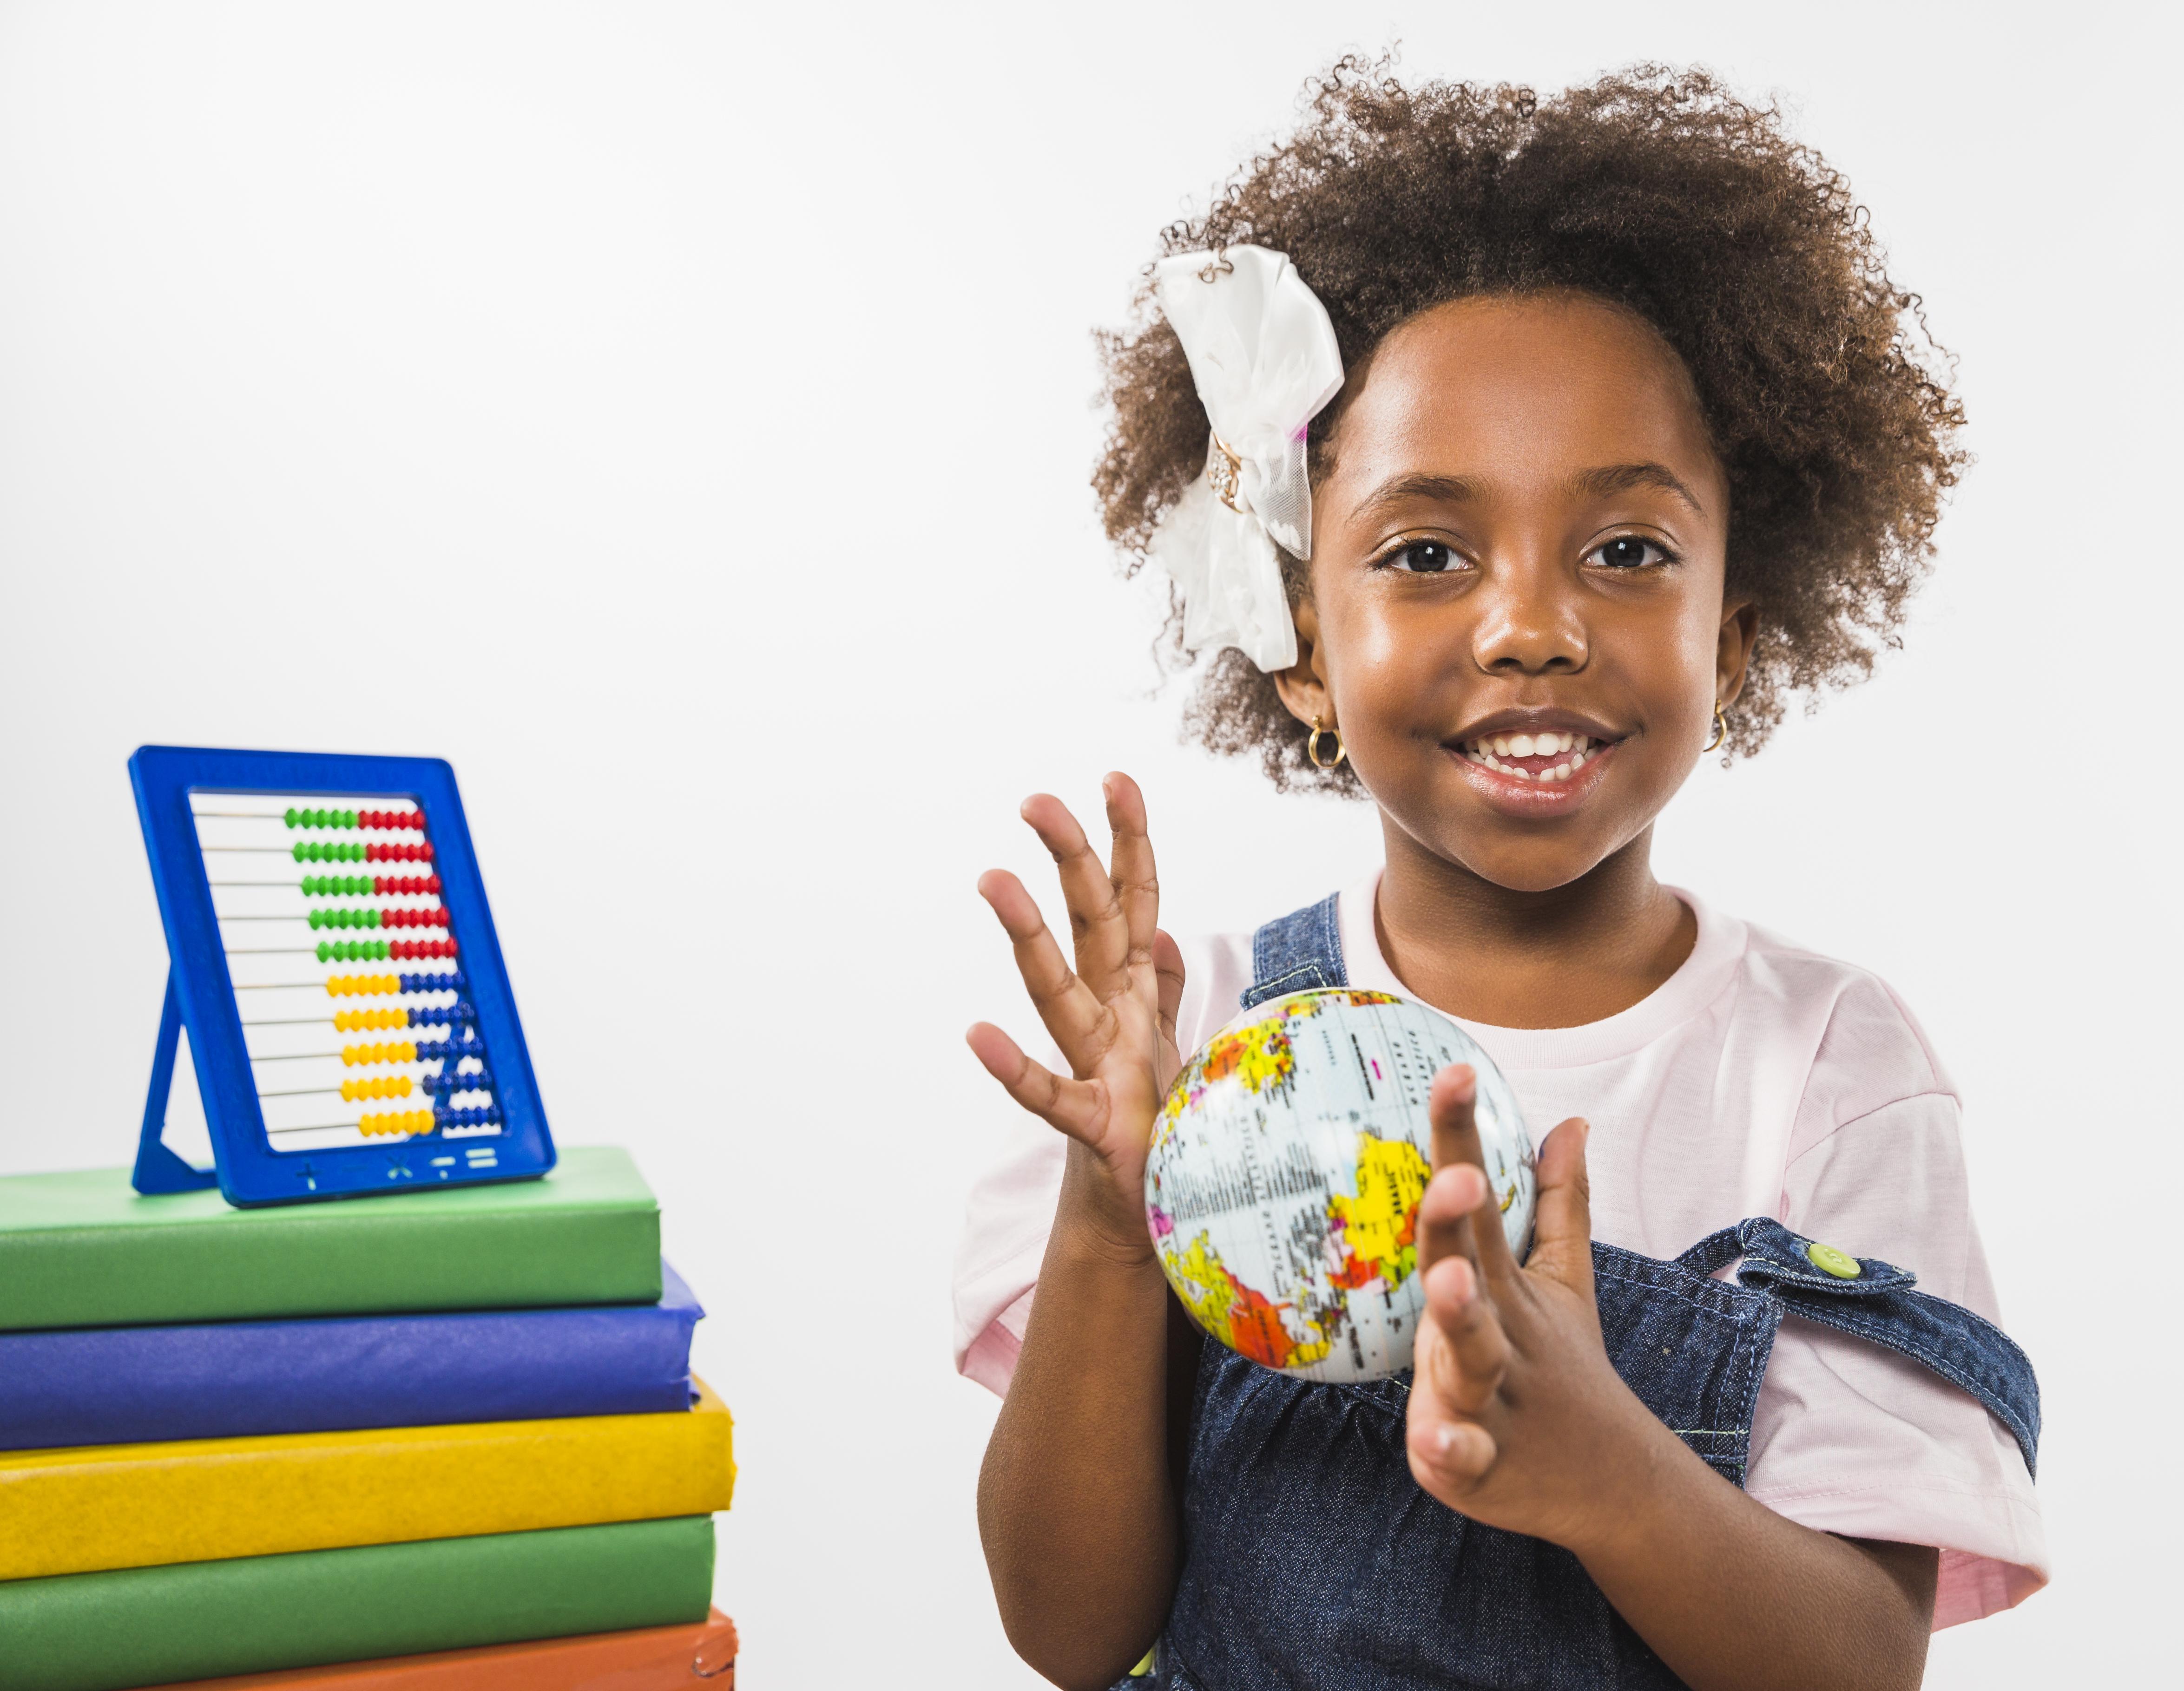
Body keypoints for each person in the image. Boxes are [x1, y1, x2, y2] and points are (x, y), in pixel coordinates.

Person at [953, 63, 2045, 1691]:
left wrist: (1616, 1481)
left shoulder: (1827, 1071)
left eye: (1624, 551)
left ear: (1732, 641)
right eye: (1423, 554)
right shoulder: (1210, 1041)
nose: (1529, 624)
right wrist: (1122, 1217)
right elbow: (1070, 1630)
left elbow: (1857, 1666)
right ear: (1299, 651)